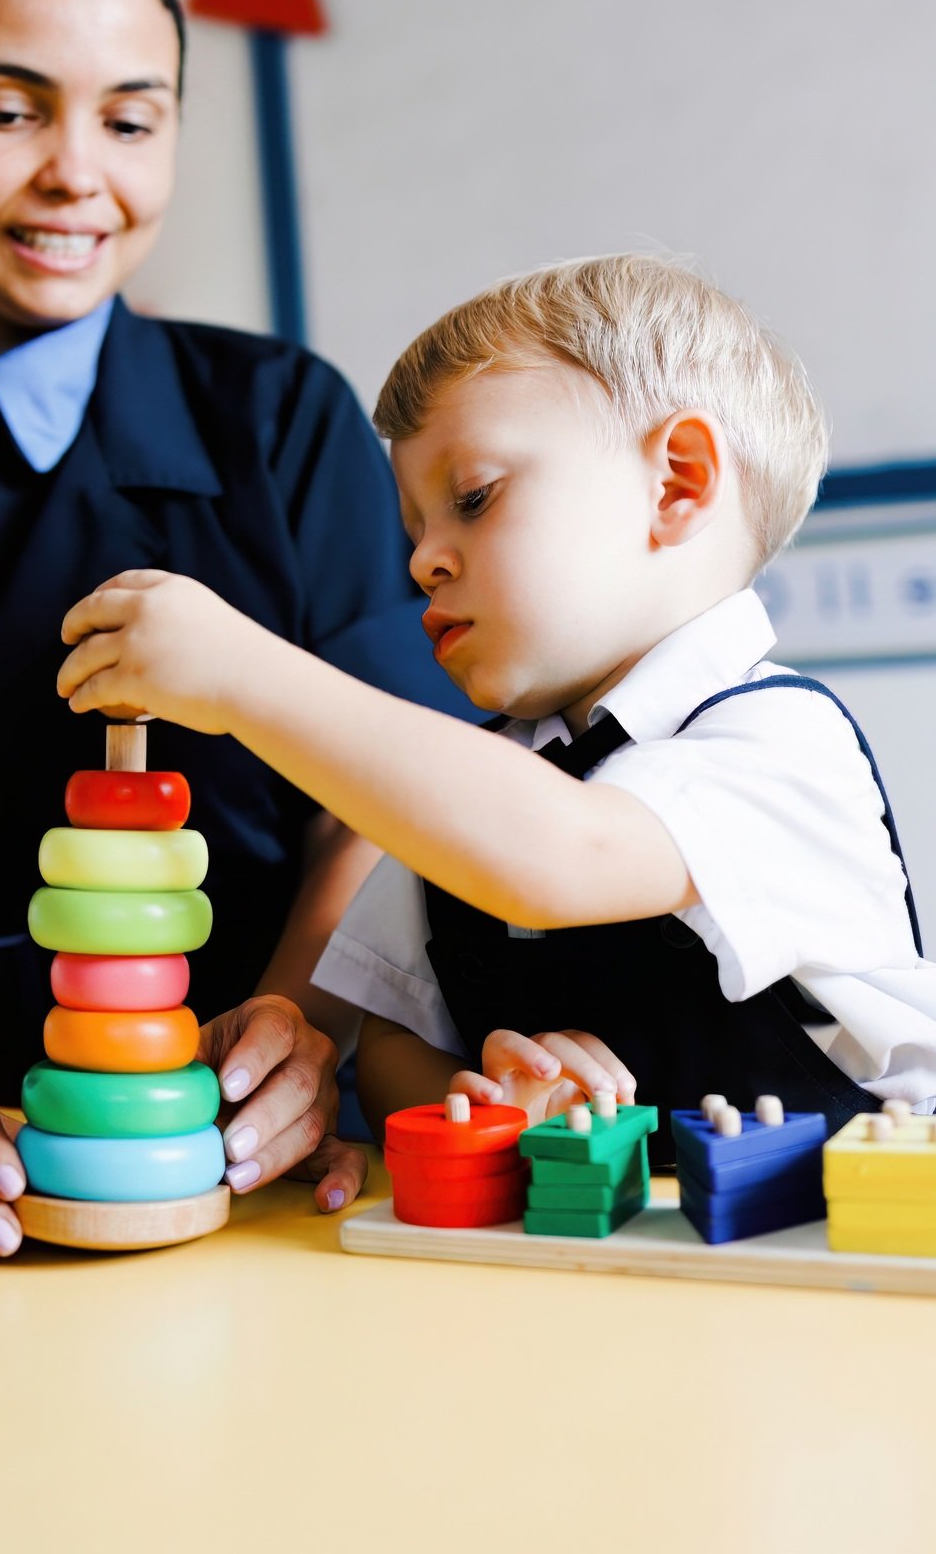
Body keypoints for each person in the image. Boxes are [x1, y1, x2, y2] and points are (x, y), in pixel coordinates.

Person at [0, 0, 471, 1273]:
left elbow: (390, 786)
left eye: (132, 118)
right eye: (7, 110)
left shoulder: (281, 418)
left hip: (222, 1201)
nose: (78, 175)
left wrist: (305, 1021)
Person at [57, 253, 936, 1167]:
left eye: (473, 500)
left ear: (676, 482)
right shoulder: (475, 786)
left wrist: (242, 674)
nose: (423, 562)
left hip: (841, 1251)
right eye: (414, 531)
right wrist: (485, 1097)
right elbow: (395, 1043)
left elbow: (560, 851)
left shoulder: (779, 745)